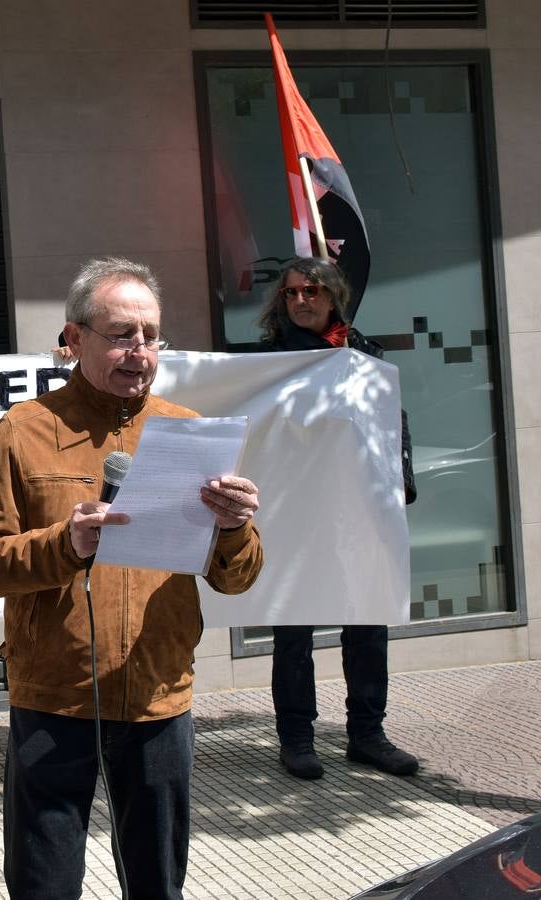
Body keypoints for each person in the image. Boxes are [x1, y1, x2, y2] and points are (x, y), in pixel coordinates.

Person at [0, 258, 264, 899]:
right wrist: (63, 544)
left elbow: (236, 579)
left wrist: (233, 528)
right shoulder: (25, 430)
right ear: (74, 340)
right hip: (53, 695)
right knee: (44, 884)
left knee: (158, 885)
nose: (141, 352)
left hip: (156, 692)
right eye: (122, 334)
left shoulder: (187, 432)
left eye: (151, 335)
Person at [258, 257, 420, 780]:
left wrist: (400, 486)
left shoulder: (362, 352)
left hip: (357, 512)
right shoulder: (265, 364)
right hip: (297, 516)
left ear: (332, 296)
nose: (301, 300)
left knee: (368, 623)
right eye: (291, 293)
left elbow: (393, 420)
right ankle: (298, 739)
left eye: (311, 291)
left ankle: (367, 736)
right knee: (294, 633)